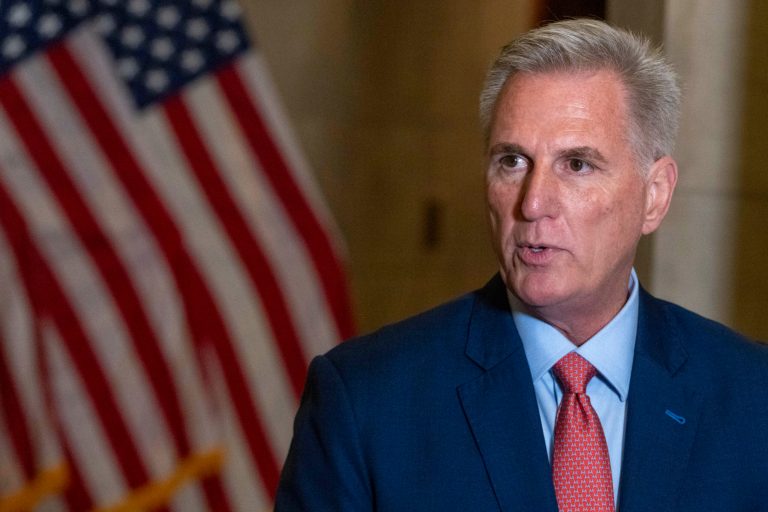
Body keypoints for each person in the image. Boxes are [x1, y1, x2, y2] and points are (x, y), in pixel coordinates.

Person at [275, 18, 768, 512]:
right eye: (512, 161)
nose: (532, 204)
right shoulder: (366, 401)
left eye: (577, 165)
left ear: (654, 196)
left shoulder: (753, 398)